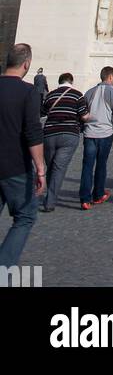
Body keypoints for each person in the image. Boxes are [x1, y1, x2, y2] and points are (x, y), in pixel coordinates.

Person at [0, 43, 45, 267]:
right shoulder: (29, 91)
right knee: (25, 217)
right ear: (26, 64)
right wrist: (41, 169)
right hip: (14, 167)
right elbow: (33, 132)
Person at [40, 72, 88, 211]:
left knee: (52, 166)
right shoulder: (77, 95)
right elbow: (83, 115)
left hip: (49, 134)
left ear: (59, 82)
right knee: (59, 168)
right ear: (71, 82)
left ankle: (50, 196)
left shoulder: (50, 95)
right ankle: (50, 201)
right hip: (69, 134)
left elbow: (42, 113)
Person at [79, 66, 113, 210]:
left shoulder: (89, 92)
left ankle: (85, 199)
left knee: (87, 166)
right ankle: (98, 194)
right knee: (101, 164)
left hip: (89, 133)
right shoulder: (112, 92)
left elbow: (82, 112)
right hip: (105, 134)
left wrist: (83, 128)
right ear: (110, 77)